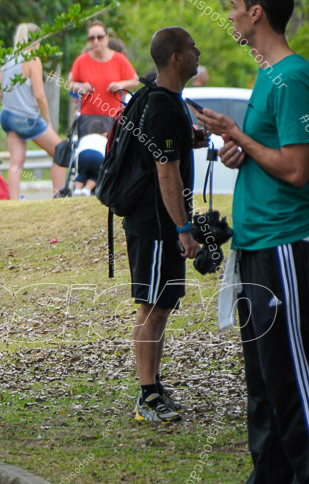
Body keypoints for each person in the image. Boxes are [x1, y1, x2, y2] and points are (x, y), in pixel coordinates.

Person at [195, 0, 309, 484]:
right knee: (263, 384)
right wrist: (241, 150)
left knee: (294, 378)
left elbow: (299, 169)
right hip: (254, 245)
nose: (228, 15)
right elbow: (270, 154)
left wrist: (242, 136)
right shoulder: (268, 76)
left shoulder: (295, 78)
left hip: (285, 245)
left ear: (257, 12)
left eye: (233, 7)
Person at [119, 28, 202, 423]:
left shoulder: (164, 102)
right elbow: (166, 174)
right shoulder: (164, 106)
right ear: (175, 57)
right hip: (154, 224)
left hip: (158, 222)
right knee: (151, 307)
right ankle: (146, 395)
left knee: (161, 306)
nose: (197, 53)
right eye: (191, 48)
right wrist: (182, 229)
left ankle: (153, 385)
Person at [0, 23, 65, 199]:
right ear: (36, 41)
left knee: (16, 162)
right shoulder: (33, 59)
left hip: (7, 115)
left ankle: (14, 203)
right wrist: (48, 120)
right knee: (61, 151)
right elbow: (40, 96)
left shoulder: (7, 59)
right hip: (27, 118)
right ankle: (59, 196)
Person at [68, 21, 139, 122]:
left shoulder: (119, 59)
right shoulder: (81, 60)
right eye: (92, 38)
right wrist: (80, 87)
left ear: (107, 37)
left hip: (114, 117)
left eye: (100, 37)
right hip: (88, 117)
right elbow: (70, 83)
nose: (96, 41)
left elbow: (135, 80)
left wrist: (121, 85)